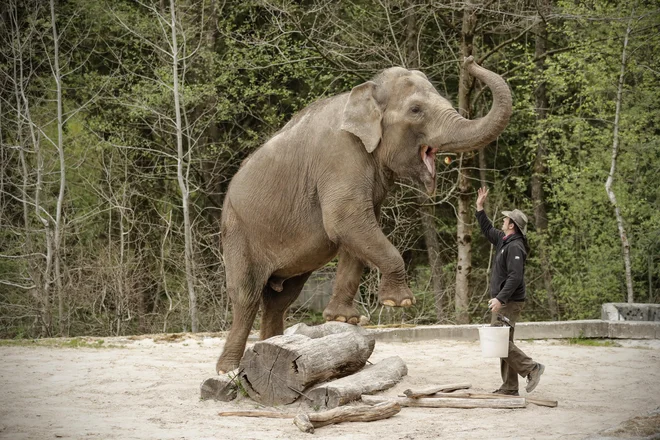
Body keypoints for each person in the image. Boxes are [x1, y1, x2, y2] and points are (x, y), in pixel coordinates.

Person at [475, 186, 544, 395]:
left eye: (506, 219)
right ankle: (510, 386)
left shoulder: (515, 246)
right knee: (504, 342)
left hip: (510, 302)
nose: (503, 221)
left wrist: (500, 299)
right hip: (504, 300)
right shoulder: (504, 241)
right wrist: (479, 207)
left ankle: (532, 368)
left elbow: (515, 277)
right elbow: (487, 229)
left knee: (499, 340)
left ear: (512, 225)